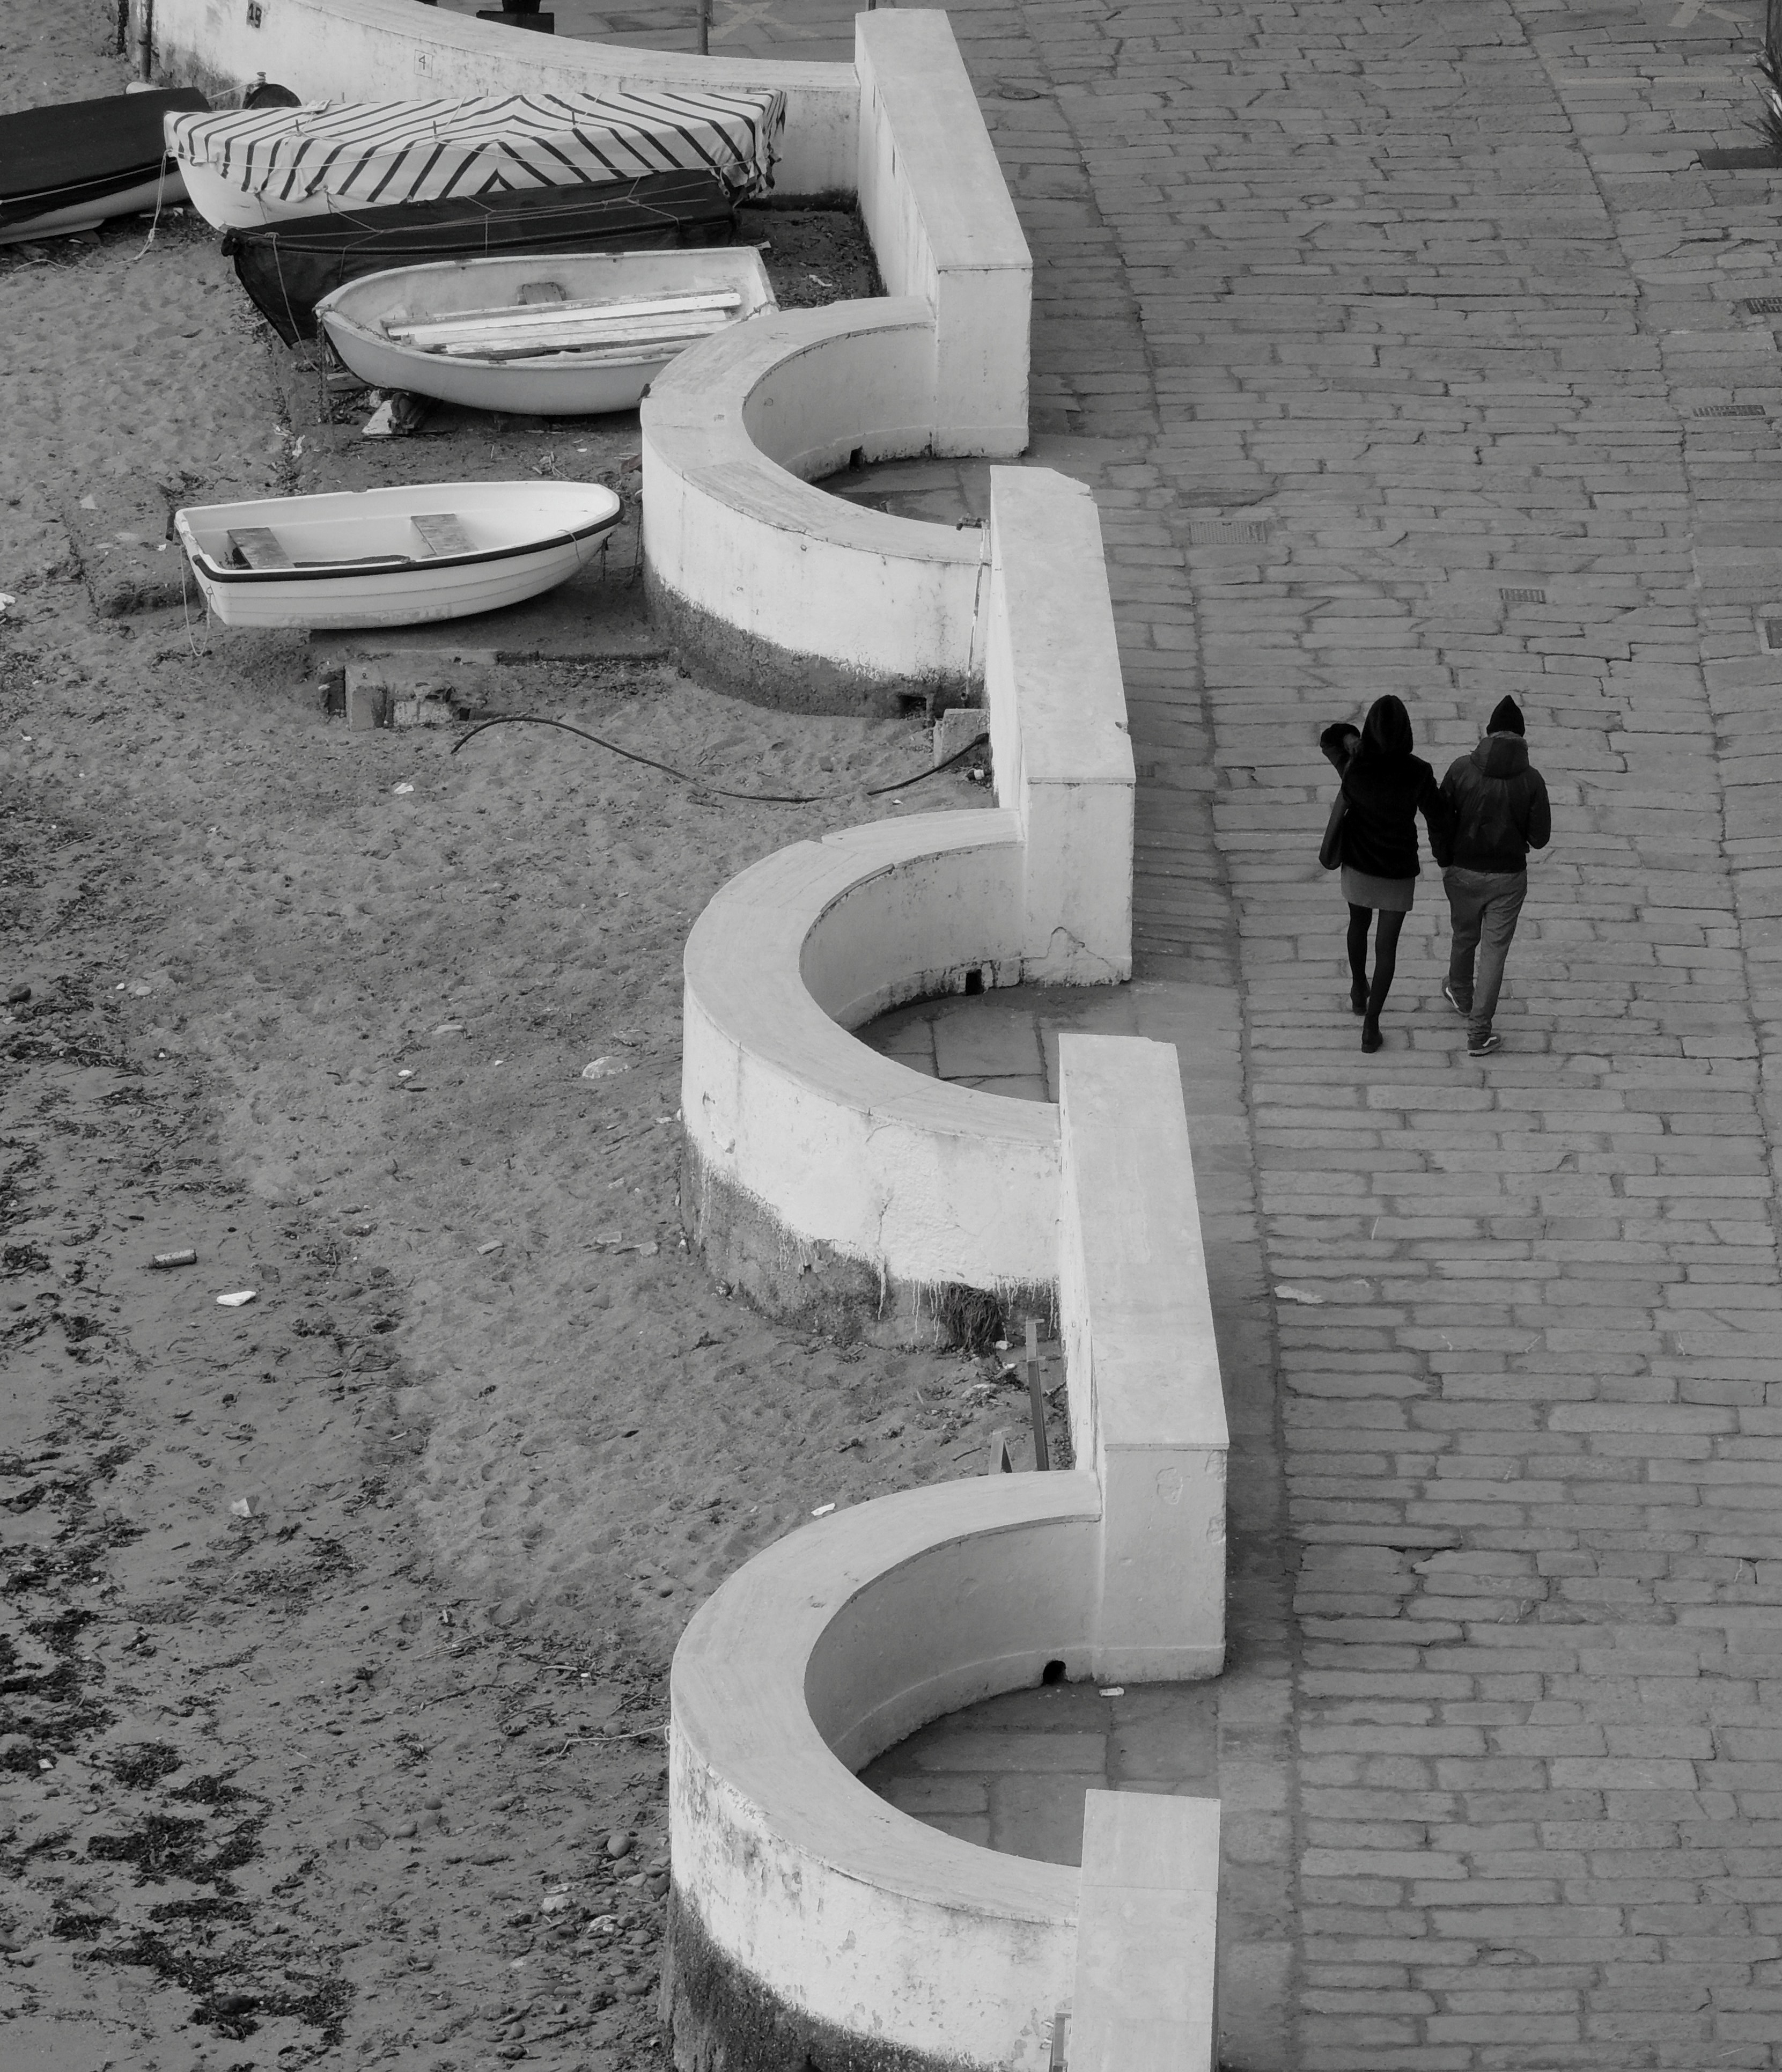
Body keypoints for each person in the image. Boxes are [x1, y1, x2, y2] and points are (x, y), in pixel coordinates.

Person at [1324, 695, 1450, 1054]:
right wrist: (1446, 857)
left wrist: (1351, 738)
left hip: (1360, 863)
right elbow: (1439, 818)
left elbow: (1329, 738)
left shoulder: (1356, 766)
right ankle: (1371, 1026)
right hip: (1397, 869)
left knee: (1357, 926)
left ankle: (1357, 989)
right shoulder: (1418, 772)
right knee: (1387, 948)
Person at [1438, 694, 1550, 1057]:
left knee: (1464, 934)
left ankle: (1460, 990)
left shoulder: (1460, 769)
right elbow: (1540, 837)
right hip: (1508, 879)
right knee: (1494, 953)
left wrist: (1445, 857)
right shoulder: (1531, 780)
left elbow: (1441, 820)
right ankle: (1479, 1033)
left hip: (1462, 871)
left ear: (1487, 735)